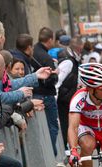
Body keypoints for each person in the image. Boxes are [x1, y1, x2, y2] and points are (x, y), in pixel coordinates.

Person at [31, 27, 59, 157]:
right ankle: (51, 156)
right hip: (46, 95)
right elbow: (51, 78)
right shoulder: (46, 57)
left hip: (34, 94)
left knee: (40, 129)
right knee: (52, 127)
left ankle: (46, 157)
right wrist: (55, 74)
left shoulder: (32, 52)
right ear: (49, 40)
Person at [55, 36, 83, 149]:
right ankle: (69, 149)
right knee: (66, 125)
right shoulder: (68, 61)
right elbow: (58, 81)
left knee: (70, 124)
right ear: (78, 48)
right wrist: (55, 99)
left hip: (68, 98)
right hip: (64, 99)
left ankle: (71, 147)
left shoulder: (73, 59)